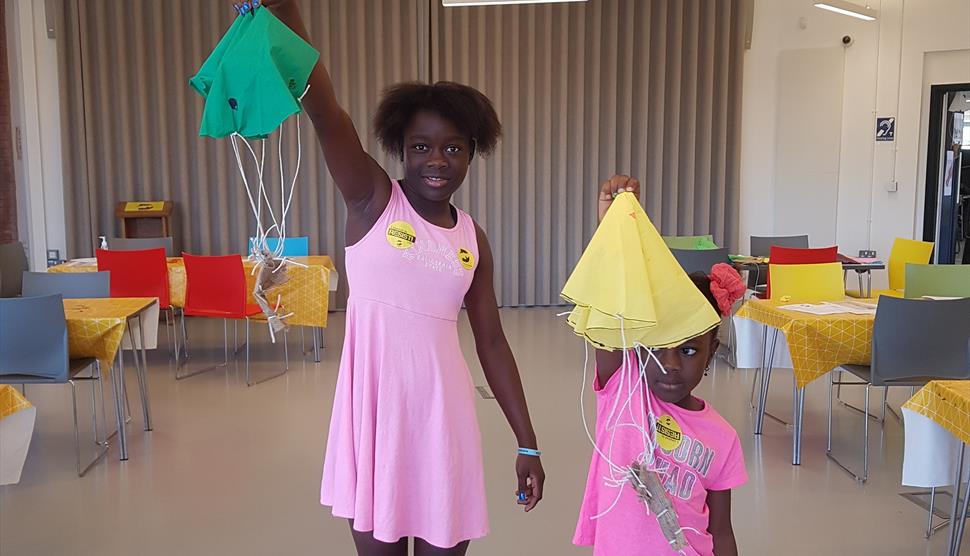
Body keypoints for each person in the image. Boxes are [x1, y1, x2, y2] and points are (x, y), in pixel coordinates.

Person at [260, 2, 544, 555]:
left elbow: (492, 342)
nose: (437, 160)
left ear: (472, 154)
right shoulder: (373, 200)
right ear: (401, 150)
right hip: (375, 419)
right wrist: (281, 10)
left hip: (445, 421)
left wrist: (527, 443)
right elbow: (324, 110)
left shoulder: (472, 239)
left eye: (453, 148)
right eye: (421, 147)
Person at [573, 176, 747, 556]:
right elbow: (614, 298)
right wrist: (613, 224)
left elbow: (722, 531)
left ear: (711, 351)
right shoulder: (623, 388)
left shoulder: (723, 437)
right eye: (656, 349)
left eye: (688, 351)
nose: (669, 365)